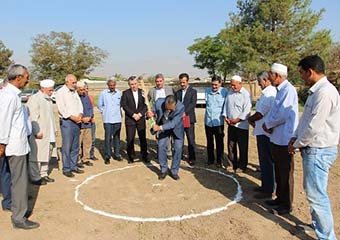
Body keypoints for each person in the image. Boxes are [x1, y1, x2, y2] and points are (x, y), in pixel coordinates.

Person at [288, 55, 340, 239]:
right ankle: (319, 226)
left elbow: (314, 127)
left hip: (319, 150)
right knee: (315, 192)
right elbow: (305, 121)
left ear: (310, 71)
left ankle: (326, 236)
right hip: (314, 149)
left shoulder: (325, 93)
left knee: (316, 195)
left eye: (301, 73)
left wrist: (297, 144)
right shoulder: (316, 92)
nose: (300, 76)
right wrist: (295, 137)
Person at [0, 64, 40, 229]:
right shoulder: (9, 96)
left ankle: (15, 205)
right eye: (26, 77)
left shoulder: (10, 94)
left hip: (16, 144)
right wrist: (2, 144)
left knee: (14, 180)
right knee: (19, 182)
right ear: (18, 78)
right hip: (14, 146)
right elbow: (4, 121)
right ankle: (19, 218)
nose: (27, 80)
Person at [262, 63, 299, 215]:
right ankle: (279, 198)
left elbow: (283, 114)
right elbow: (275, 111)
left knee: (285, 172)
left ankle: (286, 205)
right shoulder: (280, 90)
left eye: (270, 74)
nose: (268, 77)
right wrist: (267, 124)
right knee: (278, 171)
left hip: (285, 138)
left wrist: (268, 123)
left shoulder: (288, 90)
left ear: (276, 75)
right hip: (277, 137)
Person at [248, 71, 277, 198]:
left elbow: (260, 113)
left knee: (267, 162)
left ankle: (268, 189)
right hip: (263, 131)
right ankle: (266, 186)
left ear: (266, 80)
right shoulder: (268, 93)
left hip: (266, 133)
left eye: (260, 83)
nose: (259, 85)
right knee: (264, 162)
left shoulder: (269, 93)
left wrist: (250, 119)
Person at [27, 79, 57, 185]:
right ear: (43, 89)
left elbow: (51, 117)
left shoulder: (48, 99)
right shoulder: (35, 99)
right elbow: (32, 117)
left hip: (49, 132)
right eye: (50, 90)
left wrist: (55, 129)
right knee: (36, 156)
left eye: (52, 90)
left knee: (47, 154)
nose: (51, 92)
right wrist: (36, 131)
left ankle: (44, 174)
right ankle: (35, 177)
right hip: (39, 133)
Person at [149, 95, 184, 180]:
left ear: (175, 104)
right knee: (161, 146)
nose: (168, 110)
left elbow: (173, 123)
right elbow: (152, 111)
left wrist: (159, 128)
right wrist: (150, 114)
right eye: (167, 108)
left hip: (176, 128)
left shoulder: (181, 107)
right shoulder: (159, 102)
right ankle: (163, 170)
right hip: (164, 127)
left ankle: (174, 171)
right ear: (164, 102)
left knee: (178, 149)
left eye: (171, 109)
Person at [56, 74, 84, 177]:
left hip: (77, 121)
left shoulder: (74, 92)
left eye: (75, 82)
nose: (75, 84)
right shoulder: (61, 93)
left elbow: (79, 105)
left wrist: (80, 115)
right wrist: (73, 118)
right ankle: (66, 168)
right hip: (67, 122)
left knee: (75, 146)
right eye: (73, 82)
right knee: (67, 146)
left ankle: (74, 165)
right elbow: (62, 109)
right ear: (67, 81)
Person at [223, 75, 251, 172]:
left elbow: (247, 110)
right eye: (231, 85)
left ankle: (242, 166)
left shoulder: (246, 94)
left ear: (240, 84)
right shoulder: (229, 93)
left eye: (234, 85)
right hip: (231, 124)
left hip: (241, 125)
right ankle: (232, 164)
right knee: (231, 145)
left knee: (242, 146)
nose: (232, 87)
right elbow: (226, 106)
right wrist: (225, 117)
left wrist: (237, 120)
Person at [121, 76, 148, 163]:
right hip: (130, 120)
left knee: (142, 138)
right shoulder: (125, 93)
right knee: (130, 139)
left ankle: (144, 155)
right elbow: (124, 106)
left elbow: (146, 105)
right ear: (129, 85)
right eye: (131, 84)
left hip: (140, 119)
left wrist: (140, 114)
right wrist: (133, 115)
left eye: (135, 84)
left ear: (138, 83)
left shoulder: (142, 92)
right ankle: (131, 156)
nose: (134, 86)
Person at [204, 75, 228, 168]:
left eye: (216, 85)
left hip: (218, 122)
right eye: (212, 84)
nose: (214, 87)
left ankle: (219, 160)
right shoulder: (207, 91)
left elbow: (226, 106)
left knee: (219, 142)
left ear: (220, 84)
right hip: (208, 121)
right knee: (209, 142)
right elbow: (207, 104)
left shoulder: (224, 92)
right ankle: (210, 159)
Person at [98, 78, 122, 164]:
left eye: (113, 85)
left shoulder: (119, 93)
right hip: (107, 119)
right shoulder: (103, 93)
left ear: (115, 85)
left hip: (117, 119)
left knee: (117, 137)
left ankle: (117, 154)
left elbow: (121, 105)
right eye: (110, 85)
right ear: (108, 85)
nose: (112, 87)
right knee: (108, 138)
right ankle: (107, 155)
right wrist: (105, 112)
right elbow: (100, 105)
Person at [175, 73, 197, 166]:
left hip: (188, 118)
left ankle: (191, 158)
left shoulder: (193, 91)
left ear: (187, 81)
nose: (182, 84)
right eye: (181, 82)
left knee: (190, 138)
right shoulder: (178, 92)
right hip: (179, 119)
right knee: (180, 138)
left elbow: (193, 104)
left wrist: (185, 112)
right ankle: (179, 156)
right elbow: (176, 104)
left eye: (184, 82)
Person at [77, 80, 94, 167]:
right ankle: (78, 159)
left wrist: (89, 117)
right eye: (82, 90)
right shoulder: (75, 98)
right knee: (79, 142)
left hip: (88, 123)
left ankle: (86, 158)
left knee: (88, 142)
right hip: (80, 124)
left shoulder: (86, 97)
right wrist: (82, 118)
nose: (84, 91)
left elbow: (91, 108)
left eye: (85, 89)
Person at [85, 83, 98, 161]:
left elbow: (92, 109)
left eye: (87, 88)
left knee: (92, 139)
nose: (86, 90)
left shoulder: (91, 98)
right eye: (84, 88)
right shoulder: (79, 98)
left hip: (91, 121)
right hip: (84, 122)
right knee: (85, 140)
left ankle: (91, 154)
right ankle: (84, 155)